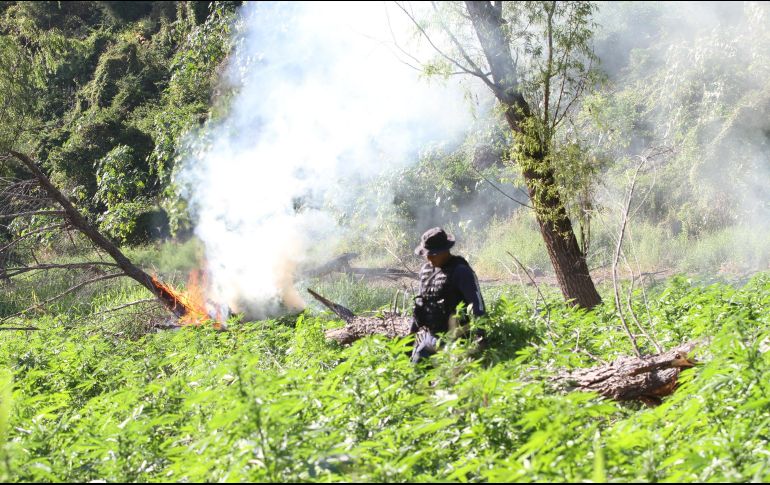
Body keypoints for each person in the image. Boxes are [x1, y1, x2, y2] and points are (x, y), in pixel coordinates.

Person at [411, 227, 486, 363]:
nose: (429, 258)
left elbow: (477, 305)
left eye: (433, 254)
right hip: (429, 337)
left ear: (445, 251)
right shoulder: (425, 271)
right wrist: (409, 339)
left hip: (455, 340)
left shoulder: (461, 271)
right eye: (427, 254)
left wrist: (480, 337)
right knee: (414, 368)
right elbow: (420, 305)